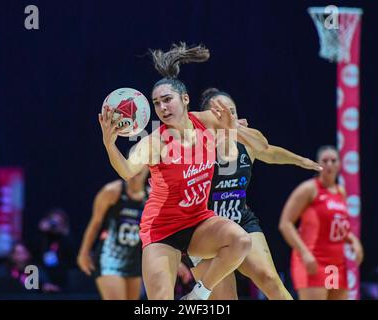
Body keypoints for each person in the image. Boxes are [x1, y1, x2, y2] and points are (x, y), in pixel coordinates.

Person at [98, 42, 273, 300]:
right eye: (157, 103)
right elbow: (126, 171)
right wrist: (109, 144)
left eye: (167, 100)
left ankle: (197, 296)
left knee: (242, 241)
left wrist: (234, 129)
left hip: (198, 221)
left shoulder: (207, 121)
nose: (162, 108)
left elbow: (262, 146)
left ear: (185, 99)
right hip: (162, 230)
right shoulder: (154, 141)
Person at [185, 88, 321, 300]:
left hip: (240, 220)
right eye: (221, 112)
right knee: (226, 299)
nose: (229, 117)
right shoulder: (195, 146)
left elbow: (271, 152)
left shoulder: (247, 143)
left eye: (233, 112)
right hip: (204, 230)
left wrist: (300, 160)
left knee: (270, 279)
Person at [279, 145, 364, 300]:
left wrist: (353, 240)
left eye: (333, 160)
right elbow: (285, 224)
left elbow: (339, 227)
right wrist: (304, 253)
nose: (329, 164)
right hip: (313, 261)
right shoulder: (309, 189)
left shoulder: (341, 192)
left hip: (336, 264)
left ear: (339, 165)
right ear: (318, 164)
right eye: (325, 161)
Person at [77, 168, 149, 300]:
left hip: (134, 259)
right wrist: (84, 252)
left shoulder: (151, 195)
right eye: (135, 162)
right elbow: (95, 224)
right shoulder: (112, 191)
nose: (138, 167)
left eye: (142, 162)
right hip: (109, 258)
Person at [37, 208, 76, 290]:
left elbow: (71, 255)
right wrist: (42, 232)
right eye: (53, 222)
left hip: (63, 276)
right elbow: (33, 251)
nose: (55, 225)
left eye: (60, 222)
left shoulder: (66, 239)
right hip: (43, 275)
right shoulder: (43, 238)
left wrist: (63, 233)